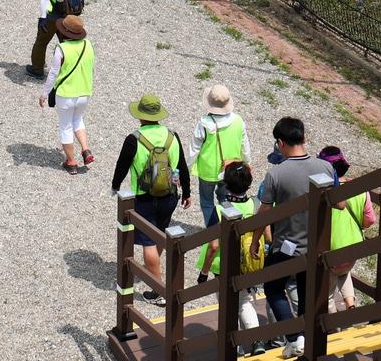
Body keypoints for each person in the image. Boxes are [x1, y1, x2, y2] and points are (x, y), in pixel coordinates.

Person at [258, 116, 338, 357]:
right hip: (315, 243)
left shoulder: (276, 174)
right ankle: (304, 335)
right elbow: (338, 201)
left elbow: (263, 213)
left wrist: (254, 241)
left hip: (285, 245)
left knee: (272, 289)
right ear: (304, 138)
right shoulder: (325, 167)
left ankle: (294, 338)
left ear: (280, 143)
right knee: (305, 290)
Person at [112, 93, 192, 303]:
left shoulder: (134, 139)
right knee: (159, 235)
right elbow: (182, 166)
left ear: (140, 116)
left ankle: (159, 291)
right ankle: (154, 268)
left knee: (148, 240)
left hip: (144, 197)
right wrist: (188, 192)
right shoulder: (172, 136)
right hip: (169, 195)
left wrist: (115, 186)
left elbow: (121, 166)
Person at [196, 161, 263, 337]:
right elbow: (268, 235)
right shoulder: (256, 206)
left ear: (225, 185)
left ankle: (234, 345)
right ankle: (257, 340)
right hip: (249, 261)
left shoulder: (219, 210)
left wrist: (204, 272)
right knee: (244, 301)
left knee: (227, 305)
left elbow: (214, 245)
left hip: (224, 266)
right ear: (249, 183)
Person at [318, 146, 375, 312]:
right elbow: (370, 220)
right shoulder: (359, 188)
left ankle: (334, 328)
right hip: (353, 248)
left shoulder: (325, 194)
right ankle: (351, 305)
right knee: (343, 271)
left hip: (332, 249)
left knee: (326, 293)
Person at [36, 14, 94, 173]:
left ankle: (71, 162)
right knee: (78, 120)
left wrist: (44, 94)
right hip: (84, 92)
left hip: (66, 94)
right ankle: (85, 149)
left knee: (66, 126)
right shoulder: (88, 45)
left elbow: (53, 73)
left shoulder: (61, 49)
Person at [190, 83, 253, 227]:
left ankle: (212, 231)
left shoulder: (204, 123)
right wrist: (247, 163)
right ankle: (229, 227)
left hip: (207, 169)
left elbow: (194, 149)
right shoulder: (238, 120)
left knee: (206, 202)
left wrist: (185, 169)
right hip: (230, 169)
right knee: (225, 198)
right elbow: (245, 145)